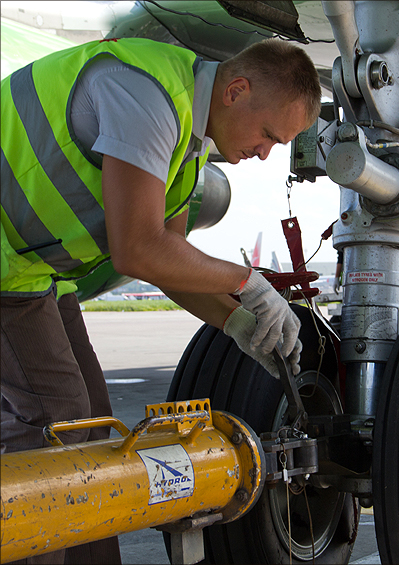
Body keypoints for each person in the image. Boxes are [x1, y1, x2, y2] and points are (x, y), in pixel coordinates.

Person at [1, 36, 320, 564]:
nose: (266, 154)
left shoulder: (189, 146)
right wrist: (247, 282)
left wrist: (239, 326)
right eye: (267, 135)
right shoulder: (146, 95)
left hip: (32, 268)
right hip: (8, 263)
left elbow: (169, 264)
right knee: (54, 420)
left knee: (92, 427)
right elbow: (137, 249)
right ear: (235, 91)